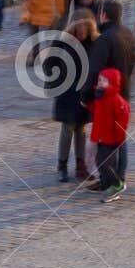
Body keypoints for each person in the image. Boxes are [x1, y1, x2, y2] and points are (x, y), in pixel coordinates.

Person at [52, 15, 98, 182]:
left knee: (81, 130)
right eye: (78, 31)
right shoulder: (64, 44)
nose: (81, 34)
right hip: (67, 94)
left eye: (84, 31)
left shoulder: (93, 45)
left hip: (84, 93)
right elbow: (52, 66)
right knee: (68, 130)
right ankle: (62, 166)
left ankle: (81, 166)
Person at [85, 66, 130, 200]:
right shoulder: (100, 96)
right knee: (102, 162)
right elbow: (98, 114)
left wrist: (119, 137)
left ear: (112, 82)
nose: (100, 83)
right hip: (101, 137)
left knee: (103, 163)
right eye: (99, 80)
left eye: (104, 80)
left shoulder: (116, 100)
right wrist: (89, 105)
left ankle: (117, 184)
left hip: (111, 139)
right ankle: (110, 186)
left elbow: (122, 120)